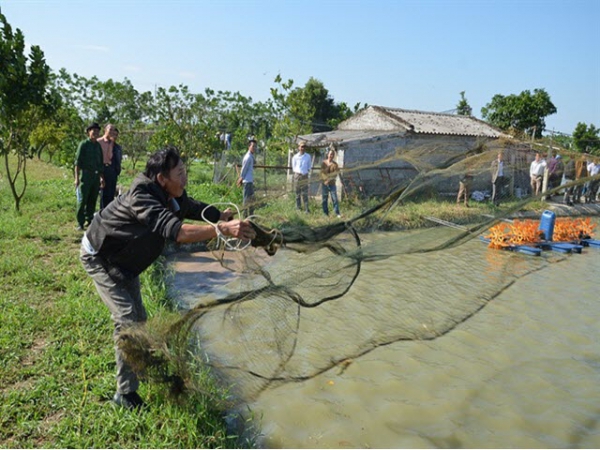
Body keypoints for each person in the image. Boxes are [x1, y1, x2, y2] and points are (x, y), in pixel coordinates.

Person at [80, 147, 256, 410]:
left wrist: (219, 214)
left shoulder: (170, 194)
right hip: (102, 256)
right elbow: (178, 232)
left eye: (185, 171)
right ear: (162, 178)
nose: (185, 178)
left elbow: (191, 206)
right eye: (180, 173)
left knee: (139, 320)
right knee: (127, 319)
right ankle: (125, 395)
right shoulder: (142, 196)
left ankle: (137, 369)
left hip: (126, 262)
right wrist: (221, 230)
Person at [74, 122, 104, 230]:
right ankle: (80, 222)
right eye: (93, 131)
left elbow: (100, 163)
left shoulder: (98, 146)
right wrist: (76, 178)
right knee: (82, 200)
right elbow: (77, 163)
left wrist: (101, 178)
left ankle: (90, 220)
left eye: (97, 131)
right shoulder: (84, 144)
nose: (95, 133)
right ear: (88, 132)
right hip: (86, 176)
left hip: (95, 177)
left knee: (93, 199)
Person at [99, 124, 120, 209]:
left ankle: (109, 213)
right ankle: (102, 213)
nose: (111, 132)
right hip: (102, 169)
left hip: (111, 169)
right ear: (105, 130)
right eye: (110, 130)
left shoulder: (113, 144)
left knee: (111, 192)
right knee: (104, 193)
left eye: (113, 130)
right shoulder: (99, 142)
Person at [237, 138, 256, 216]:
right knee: (246, 199)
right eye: (253, 146)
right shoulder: (247, 157)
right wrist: (241, 178)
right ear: (249, 147)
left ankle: (251, 215)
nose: (254, 148)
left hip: (250, 180)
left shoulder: (251, 156)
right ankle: (245, 215)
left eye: (255, 147)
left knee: (251, 198)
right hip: (247, 181)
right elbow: (244, 169)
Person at [320, 147, 341, 217]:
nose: (331, 155)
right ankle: (325, 213)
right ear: (327, 155)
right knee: (324, 199)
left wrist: (329, 180)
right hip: (324, 184)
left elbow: (335, 174)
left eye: (332, 154)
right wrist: (325, 180)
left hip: (332, 184)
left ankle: (337, 212)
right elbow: (322, 173)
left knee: (334, 198)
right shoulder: (324, 163)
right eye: (330, 154)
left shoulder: (335, 164)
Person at [292, 141, 312, 212]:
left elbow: (309, 166)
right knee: (297, 193)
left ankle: (306, 209)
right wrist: (297, 174)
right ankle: (298, 208)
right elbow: (293, 167)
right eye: (301, 146)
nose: (302, 148)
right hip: (297, 175)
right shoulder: (295, 157)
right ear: (299, 147)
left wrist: (306, 173)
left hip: (304, 175)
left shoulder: (308, 156)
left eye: (304, 147)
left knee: (305, 193)